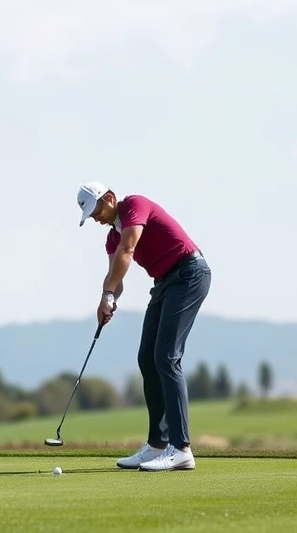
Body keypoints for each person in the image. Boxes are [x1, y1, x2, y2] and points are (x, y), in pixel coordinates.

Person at [76, 181, 212, 472]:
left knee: (166, 357)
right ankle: (157, 445)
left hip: (189, 273)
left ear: (110, 198)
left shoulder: (134, 205)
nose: (96, 219)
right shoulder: (111, 238)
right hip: (164, 283)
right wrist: (110, 299)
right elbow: (118, 274)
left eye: (96, 210)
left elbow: (128, 249)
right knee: (147, 359)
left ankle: (182, 449)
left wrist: (106, 294)